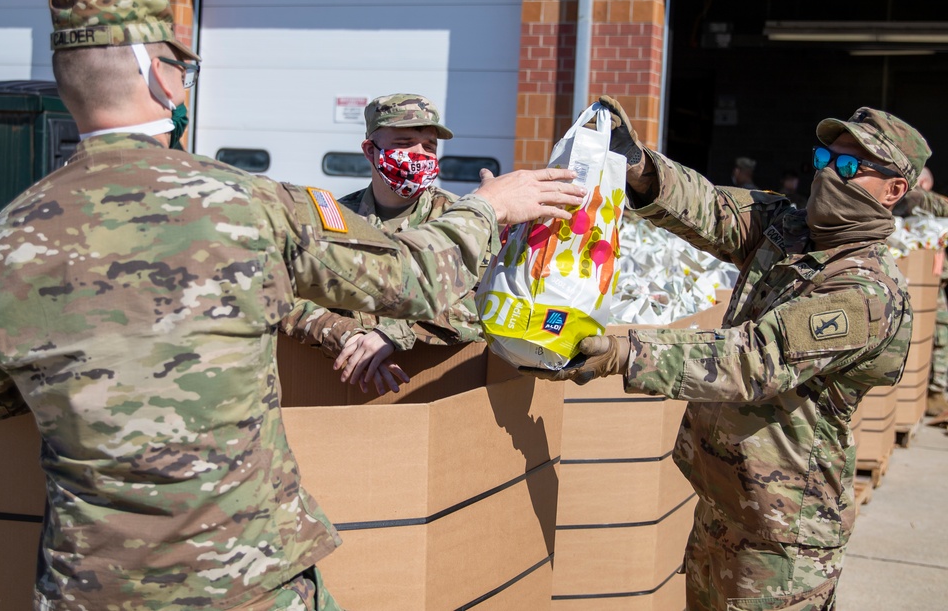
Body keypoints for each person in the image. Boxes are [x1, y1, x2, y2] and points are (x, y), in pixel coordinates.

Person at [0, 0, 585, 611]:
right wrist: (490, 208)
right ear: (157, 81)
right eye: (179, 69)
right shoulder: (249, 206)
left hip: (89, 588)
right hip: (245, 578)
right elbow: (415, 280)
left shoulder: (4, 243)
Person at [537, 98, 928, 610]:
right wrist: (639, 167)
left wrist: (621, 351)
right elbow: (714, 208)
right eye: (823, 160)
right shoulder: (789, 230)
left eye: (850, 166)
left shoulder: (866, 291)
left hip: (783, 537)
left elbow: (753, 359)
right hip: (725, 502)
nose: (828, 175)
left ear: (894, 190)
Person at [281, 94, 486, 394]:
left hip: (442, 394)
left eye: (429, 146)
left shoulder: (461, 220)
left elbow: (484, 299)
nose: (419, 154)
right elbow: (284, 293)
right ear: (369, 150)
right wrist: (348, 337)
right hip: (348, 395)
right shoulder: (335, 221)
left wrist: (393, 333)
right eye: (404, 144)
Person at [893, 165, 948, 418]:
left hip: (931, 279)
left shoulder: (929, 207)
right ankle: (934, 389)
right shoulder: (915, 196)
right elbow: (915, 197)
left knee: (937, 332)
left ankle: (935, 390)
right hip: (919, 280)